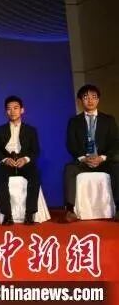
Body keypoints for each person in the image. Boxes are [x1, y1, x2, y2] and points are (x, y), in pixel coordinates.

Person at [64, 84, 119, 222]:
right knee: (69, 169)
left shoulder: (108, 120)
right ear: (80, 101)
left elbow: (115, 143)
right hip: (84, 161)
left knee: (117, 167)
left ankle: (118, 209)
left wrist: (102, 158)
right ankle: (70, 210)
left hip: (103, 161)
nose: (90, 100)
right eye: (86, 97)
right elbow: (71, 144)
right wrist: (83, 158)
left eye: (93, 97)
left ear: (98, 100)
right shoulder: (74, 121)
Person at [0, 96, 41, 225]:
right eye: (9, 109)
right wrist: (5, 159)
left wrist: (25, 159)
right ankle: (7, 215)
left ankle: (29, 214)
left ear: (22, 110)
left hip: (24, 163)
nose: (12, 111)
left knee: (35, 177)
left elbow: (35, 150)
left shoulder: (31, 130)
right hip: (7, 163)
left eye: (16, 108)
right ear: (6, 112)